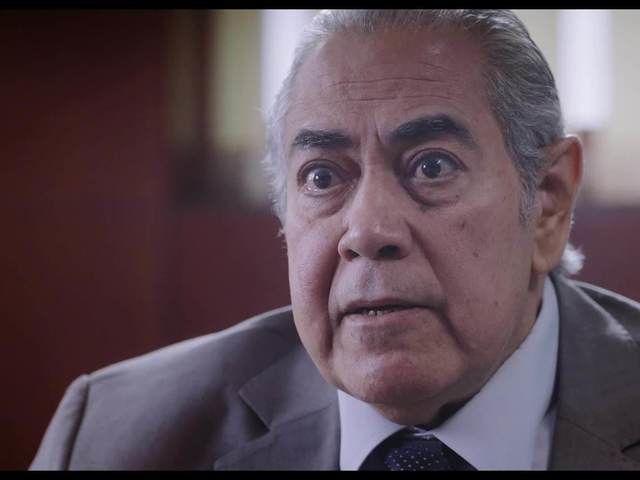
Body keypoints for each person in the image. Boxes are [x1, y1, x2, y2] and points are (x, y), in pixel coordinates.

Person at [31, 9, 640, 470]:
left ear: (548, 202)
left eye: (432, 166)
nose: (368, 231)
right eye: (322, 177)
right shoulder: (114, 436)